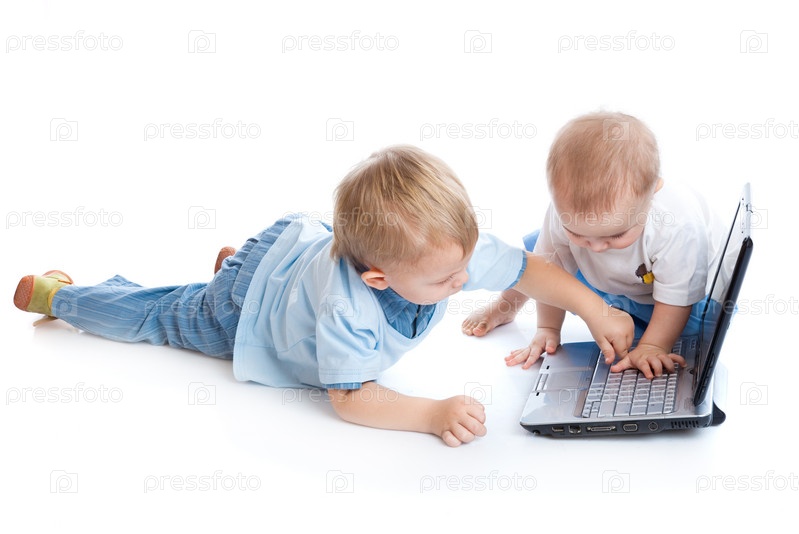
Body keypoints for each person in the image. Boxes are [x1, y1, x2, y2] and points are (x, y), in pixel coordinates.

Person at [14, 145, 633, 447]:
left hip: (289, 259)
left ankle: (237, 268)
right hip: (245, 311)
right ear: (378, 279)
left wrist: (595, 308)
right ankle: (62, 298)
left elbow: (525, 268)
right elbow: (350, 396)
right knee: (165, 317)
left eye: (466, 266)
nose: (463, 281)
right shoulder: (348, 307)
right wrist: (430, 413)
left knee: (233, 286)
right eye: (448, 279)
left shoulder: (446, 250)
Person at [462, 112, 726, 380]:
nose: (597, 248)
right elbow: (549, 273)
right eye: (578, 233)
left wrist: (653, 346)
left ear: (652, 194)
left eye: (617, 235)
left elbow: (676, 298)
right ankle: (507, 303)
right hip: (612, 283)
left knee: (695, 329)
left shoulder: (676, 226)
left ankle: (639, 324)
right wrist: (548, 328)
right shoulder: (565, 216)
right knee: (538, 258)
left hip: (676, 298)